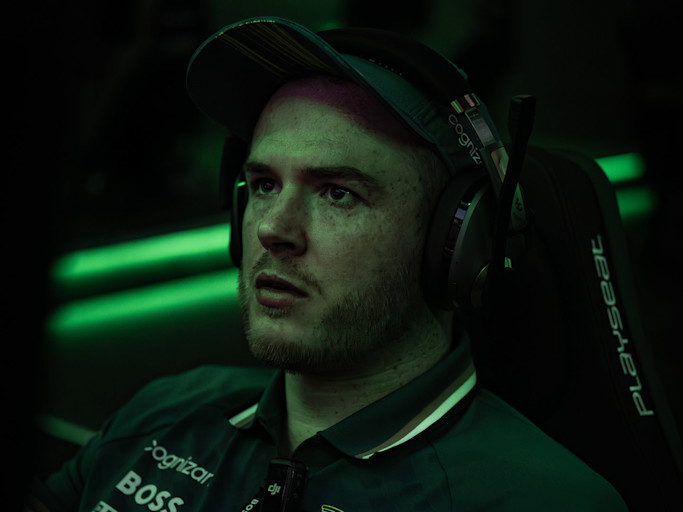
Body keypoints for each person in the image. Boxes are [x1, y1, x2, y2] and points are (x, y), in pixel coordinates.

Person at [27, 17, 630, 511]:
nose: (273, 228)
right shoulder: (165, 409)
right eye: (264, 184)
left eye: (337, 192)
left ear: (455, 242)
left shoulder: (542, 501)